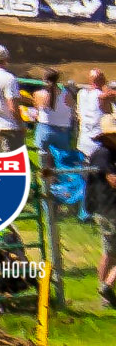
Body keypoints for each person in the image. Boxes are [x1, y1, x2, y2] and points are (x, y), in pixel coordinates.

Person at [88, 114, 116, 309]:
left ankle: (104, 291)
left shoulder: (110, 152)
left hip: (109, 207)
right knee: (109, 252)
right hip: (108, 208)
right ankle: (106, 287)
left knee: (110, 252)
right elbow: (113, 180)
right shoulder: (103, 154)